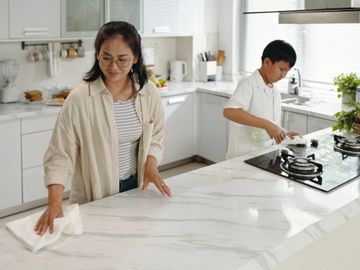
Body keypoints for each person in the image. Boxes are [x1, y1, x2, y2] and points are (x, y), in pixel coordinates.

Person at [35, 21, 171, 235]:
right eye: (106, 57)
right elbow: (59, 156)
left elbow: (156, 137)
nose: (113, 67)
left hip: (136, 189)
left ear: (135, 58)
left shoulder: (148, 93)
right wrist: (54, 203)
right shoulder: (80, 99)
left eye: (122, 59)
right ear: (97, 55)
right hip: (95, 196)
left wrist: (151, 165)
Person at [223, 40, 300, 159]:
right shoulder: (249, 84)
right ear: (267, 62)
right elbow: (229, 111)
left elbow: (272, 125)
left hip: (265, 156)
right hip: (242, 157)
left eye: (287, 71)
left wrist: (284, 135)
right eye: (281, 69)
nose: (283, 75)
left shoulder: (274, 91)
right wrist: (266, 124)